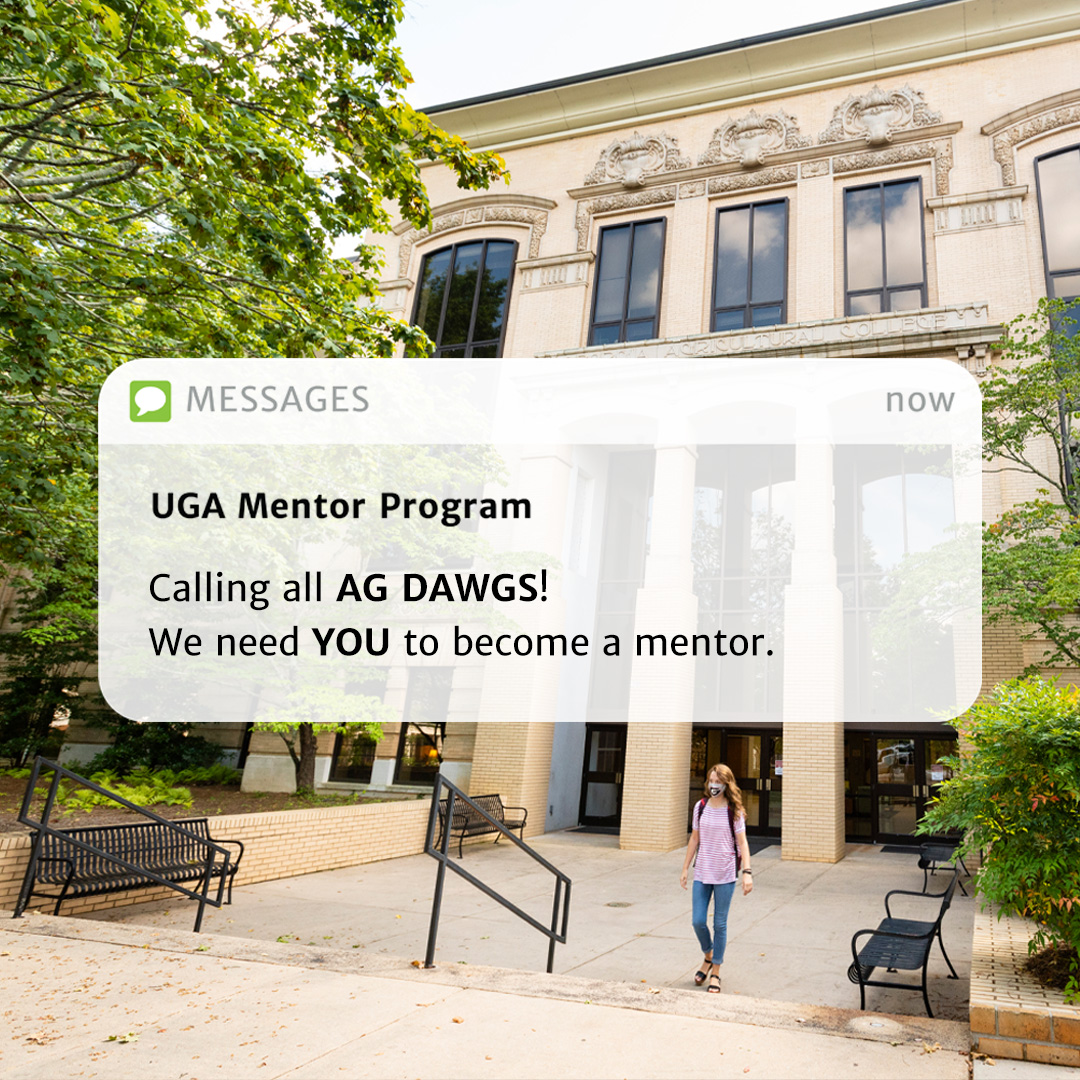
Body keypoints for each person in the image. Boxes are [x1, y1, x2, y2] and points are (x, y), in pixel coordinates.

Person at [679, 762, 753, 992]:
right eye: (711, 781)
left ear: (726, 784)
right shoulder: (700, 807)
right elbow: (694, 839)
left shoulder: (734, 811)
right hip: (702, 871)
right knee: (698, 921)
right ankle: (708, 955)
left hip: (725, 873)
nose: (714, 785)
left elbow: (742, 842)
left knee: (719, 924)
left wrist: (747, 873)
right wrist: (685, 868)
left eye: (718, 782)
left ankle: (716, 971)